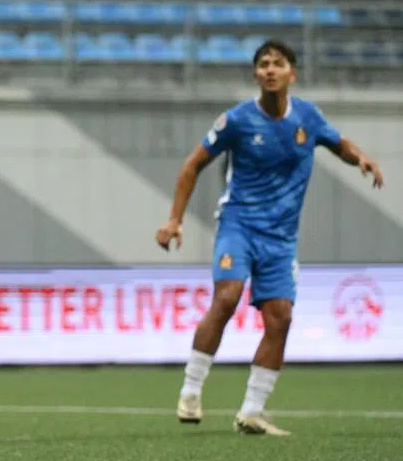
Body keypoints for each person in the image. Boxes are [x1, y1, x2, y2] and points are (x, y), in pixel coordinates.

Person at [156, 38, 384, 436]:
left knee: (280, 318)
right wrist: (174, 219)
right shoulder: (237, 120)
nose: (270, 70)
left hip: (281, 239)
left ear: (291, 73)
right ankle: (191, 391)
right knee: (226, 297)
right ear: (256, 74)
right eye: (263, 64)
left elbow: (338, 143)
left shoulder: (307, 118)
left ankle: (252, 411)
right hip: (239, 224)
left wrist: (360, 157)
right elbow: (193, 164)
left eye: (277, 63)